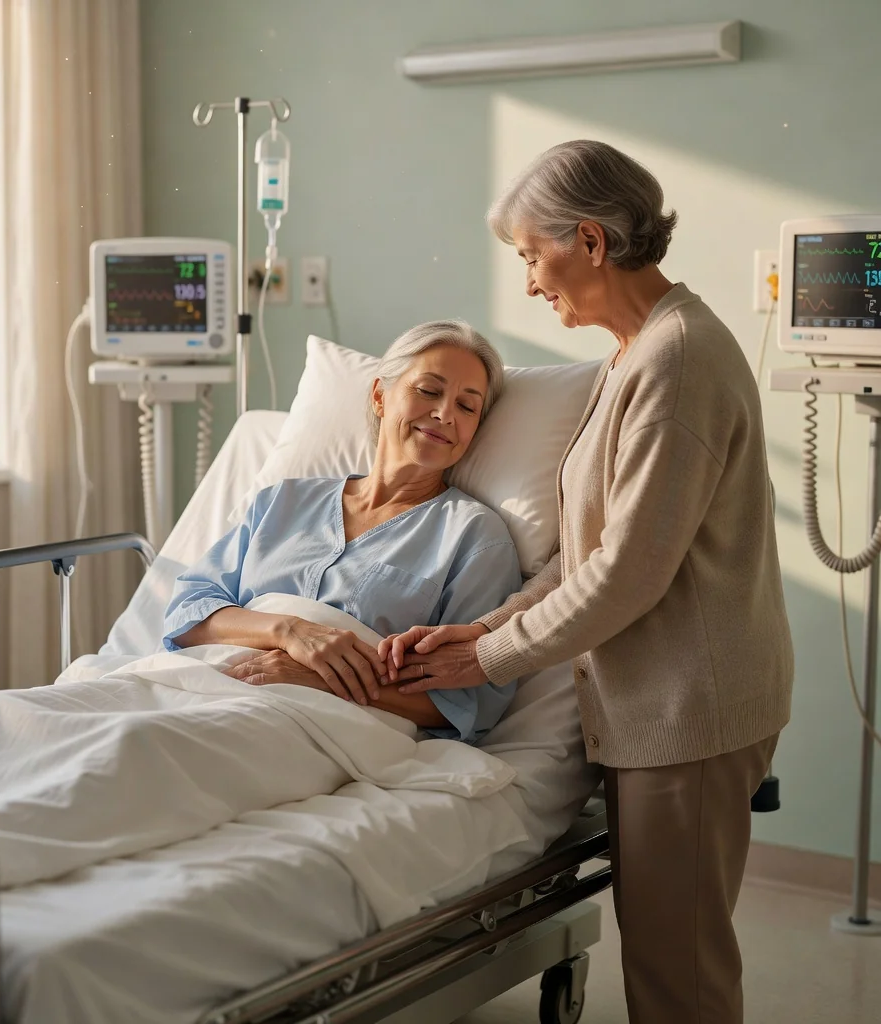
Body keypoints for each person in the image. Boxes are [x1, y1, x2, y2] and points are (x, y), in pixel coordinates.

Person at [379, 141, 794, 1023]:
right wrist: (484, 628)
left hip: (689, 711)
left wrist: (487, 658)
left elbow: (625, 578)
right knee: (667, 958)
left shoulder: (675, 362)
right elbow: (588, 549)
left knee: (678, 977)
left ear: (593, 242)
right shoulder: (633, 354)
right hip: (669, 701)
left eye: (532, 254)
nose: (529, 282)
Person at [163, 320, 523, 743]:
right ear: (379, 396)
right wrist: (288, 631)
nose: (445, 414)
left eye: (467, 406)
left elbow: (470, 701)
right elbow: (188, 614)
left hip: (316, 726)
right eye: (428, 390)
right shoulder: (283, 501)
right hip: (204, 685)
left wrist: (316, 678)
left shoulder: (475, 538)